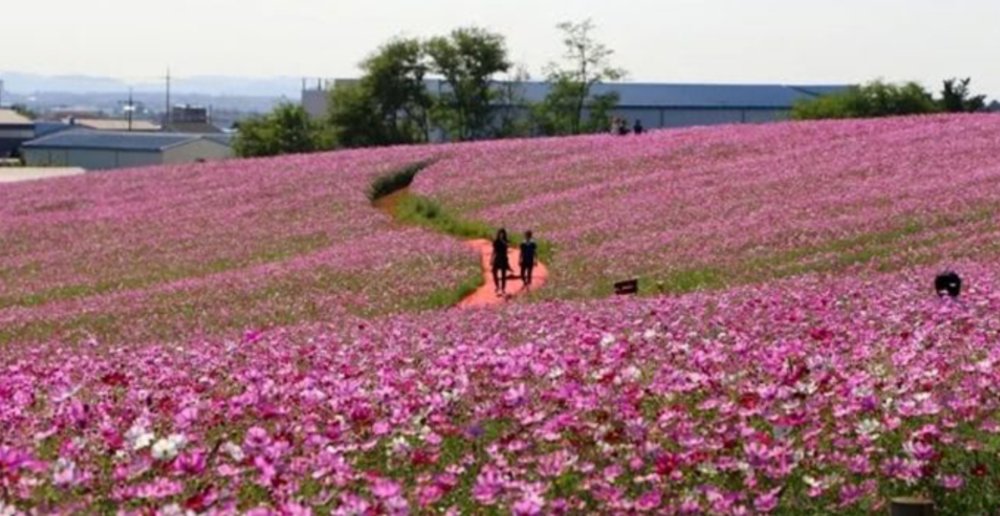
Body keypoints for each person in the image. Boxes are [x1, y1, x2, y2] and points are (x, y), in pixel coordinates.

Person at [491, 228, 511, 296]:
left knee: (503, 275)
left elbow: (508, 246)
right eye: (500, 233)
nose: (501, 235)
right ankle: (497, 286)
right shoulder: (496, 241)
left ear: (504, 234)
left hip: (504, 258)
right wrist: (491, 259)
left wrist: (503, 241)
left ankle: (503, 288)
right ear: (498, 234)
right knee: (494, 271)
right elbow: (494, 250)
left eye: (502, 234)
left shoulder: (506, 241)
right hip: (497, 258)